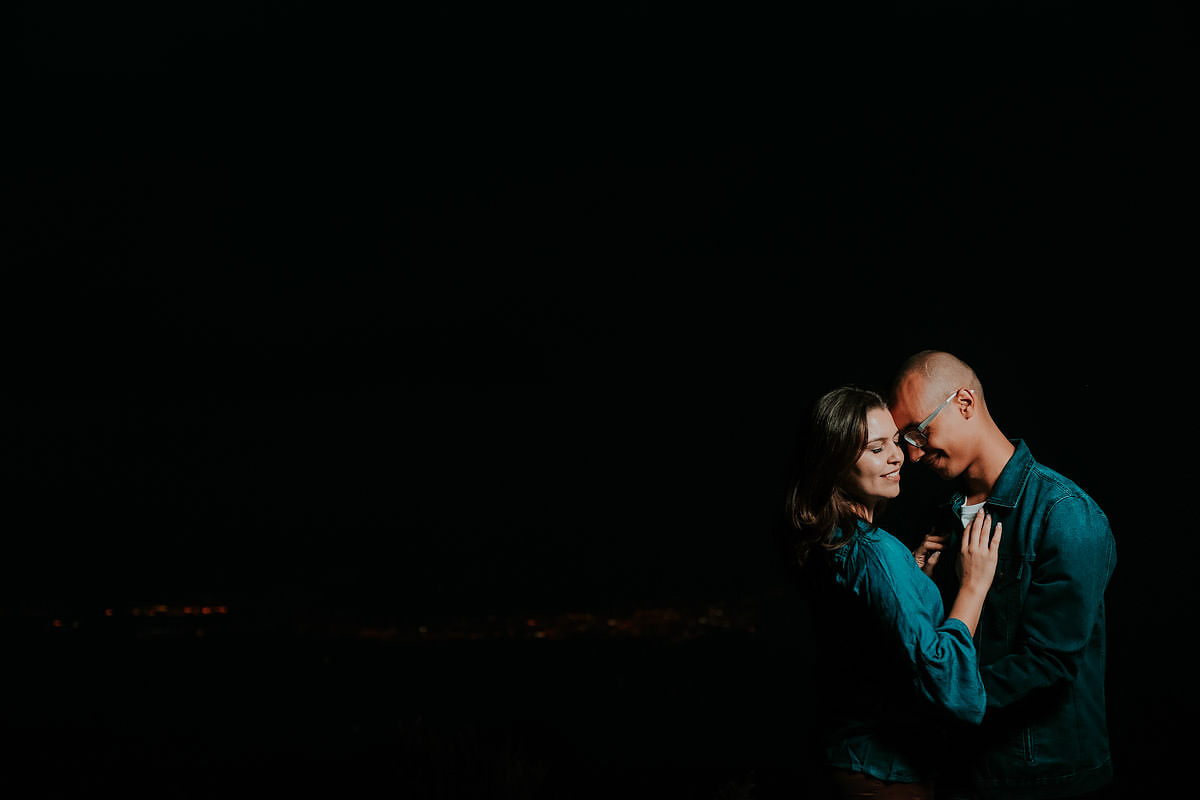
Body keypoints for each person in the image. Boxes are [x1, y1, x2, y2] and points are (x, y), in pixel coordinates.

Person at [887, 350, 1117, 800]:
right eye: (902, 440)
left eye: (918, 432)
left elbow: (1051, 661)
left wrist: (946, 699)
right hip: (960, 774)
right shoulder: (941, 520)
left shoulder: (1064, 513)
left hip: (1044, 780)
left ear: (965, 403)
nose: (912, 455)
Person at [782, 385, 1002, 800]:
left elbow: (861, 630)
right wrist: (973, 586)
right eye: (875, 448)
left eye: (895, 442)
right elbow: (945, 682)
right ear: (835, 464)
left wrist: (909, 578)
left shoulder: (833, 537)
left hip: (846, 756)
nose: (898, 456)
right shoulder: (875, 552)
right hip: (883, 772)